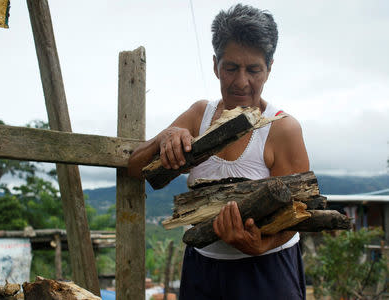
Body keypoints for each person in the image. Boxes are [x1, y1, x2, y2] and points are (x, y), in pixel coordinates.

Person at [128, 3, 309, 299]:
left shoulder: (282, 129)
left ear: (269, 68)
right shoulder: (199, 115)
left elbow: (299, 213)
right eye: (230, 68)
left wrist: (260, 245)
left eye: (253, 70)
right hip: (202, 268)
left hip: (266, 272)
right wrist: (166, 136)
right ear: (215, 65)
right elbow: (135, 168)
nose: (241, 82)